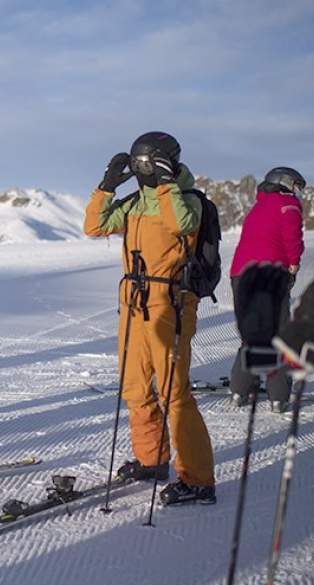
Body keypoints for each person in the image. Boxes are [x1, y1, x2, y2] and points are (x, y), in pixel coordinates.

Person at [83, 131, 217, 505]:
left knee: (174, 392)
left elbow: (181, 225)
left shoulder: (187, 200)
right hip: (133, 303)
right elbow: (95, 226)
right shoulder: (136, 203)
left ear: (166, 163)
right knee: (135, 388)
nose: (142, 170)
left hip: (169, 303)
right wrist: (106, 187)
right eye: (137, 164)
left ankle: (198, 480)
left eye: (148, 163)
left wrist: (166, 184)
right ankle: (152, 460)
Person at [228, 167, 306, 412]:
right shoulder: (288, 204)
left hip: (241, 275)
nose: (298, 192)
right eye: (296, 185)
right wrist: (293, 266)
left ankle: (240, 390)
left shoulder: (258, 208)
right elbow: (292, 239)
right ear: (284, 183)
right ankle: (278, 395)